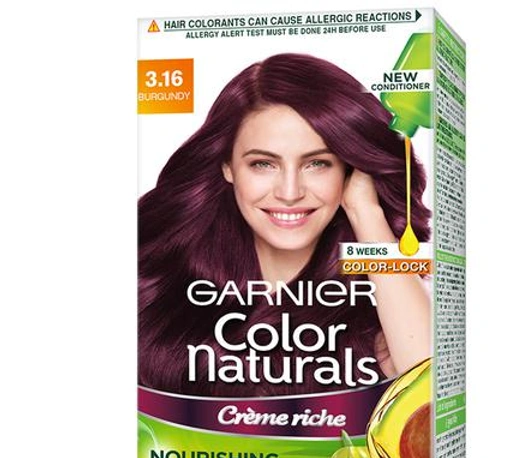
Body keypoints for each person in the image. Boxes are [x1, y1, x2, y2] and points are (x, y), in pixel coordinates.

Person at [139, 53, 431, 397]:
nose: (290, 193)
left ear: (350, 169)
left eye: (317, 163)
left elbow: (428, 391)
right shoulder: (162, 286)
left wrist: (365, 211)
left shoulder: (384, 304)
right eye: (263, 164)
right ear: (227, 166)